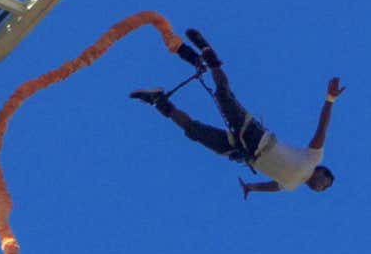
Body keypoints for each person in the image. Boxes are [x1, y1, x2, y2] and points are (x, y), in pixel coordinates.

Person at [131, 28, 339, 195]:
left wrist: (251, 187)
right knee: (224, 96)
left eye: (324, 189)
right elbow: (323, 127)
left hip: (243, 153)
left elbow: (272, 186)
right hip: (256, 137)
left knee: (194, 132)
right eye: (325, 183)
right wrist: (330, 100)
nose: (322, 188)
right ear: (321, 173)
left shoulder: (291, 186)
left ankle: (158, 100)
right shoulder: (313, 159)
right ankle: (210, 56)